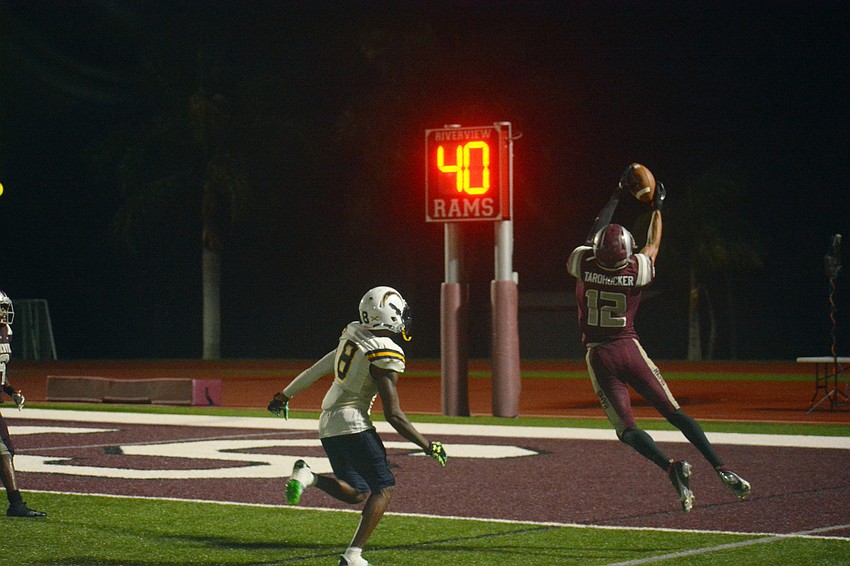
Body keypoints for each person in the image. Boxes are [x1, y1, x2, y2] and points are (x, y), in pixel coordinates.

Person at [566, 165, 751, 513]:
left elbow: (592, 234)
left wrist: (615, 196)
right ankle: (722, 467)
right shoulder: (636, 269)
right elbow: (652, 244)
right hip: (630, 348)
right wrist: (657, 207)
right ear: (627, 252)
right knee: (674, 413)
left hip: (600, 357)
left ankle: (669, 466)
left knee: (627, 430)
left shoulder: (582, 262)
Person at [267, 286, 447, 566]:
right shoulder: (384, 351)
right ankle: (353, 556)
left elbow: (316, 369)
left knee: (358, 492)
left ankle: (308, 477)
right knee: (384, 488)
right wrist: (427, 445)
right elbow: (394, 414)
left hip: (328, 424)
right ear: (389, 315)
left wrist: (284, 395)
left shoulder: (353, 334)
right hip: (353, 423)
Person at [0, 291, 47, 518]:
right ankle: (16, 504)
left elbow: (1, 372)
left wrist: (11, 391)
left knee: (4, 450)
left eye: (4, 307)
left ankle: (16, 503)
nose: (4, 311)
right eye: (0, 307)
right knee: (3, 449)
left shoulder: (6, 332)